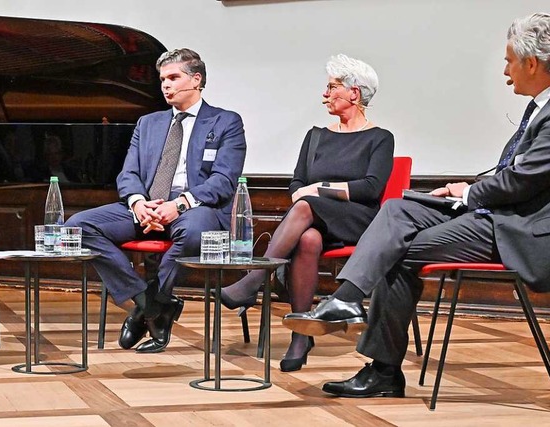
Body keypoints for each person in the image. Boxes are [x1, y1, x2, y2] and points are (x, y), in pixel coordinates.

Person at [283, 12, 550, 398]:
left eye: (509, 60)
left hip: (518, 230)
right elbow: (520, 175)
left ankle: (381, 368)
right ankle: (345, 302)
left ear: (530, 63)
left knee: (396, 252)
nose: (505, 70)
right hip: (496, 213)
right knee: (399, 207)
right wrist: (467, 188)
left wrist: (470, 194)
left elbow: (524, 181)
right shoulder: (538, 108)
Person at [219, 54, 394, 372]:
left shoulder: (380, 138)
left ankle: (254, 279)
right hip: (315, 220)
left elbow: (370, 188)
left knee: (304, 205)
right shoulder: (316, 135)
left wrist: (318, 189)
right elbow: (296, 183)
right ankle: (301, 336)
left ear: (354, 93)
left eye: (332, 87)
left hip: (357, 220)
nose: (325, 95)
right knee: (308, 239)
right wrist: (310, 192)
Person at [66, 48, 246, 353]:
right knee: (78, 226)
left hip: (194, 208)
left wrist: (178, 205)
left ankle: (154, 303)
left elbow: (224, 181)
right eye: (163, 79)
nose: (166, 85)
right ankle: (149, 303)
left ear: (196, 80)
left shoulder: (225, 121)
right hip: (147, 206)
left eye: (174, 77)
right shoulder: (147, 123)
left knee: (195, 232)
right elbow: (128, 173)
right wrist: (137, 203)